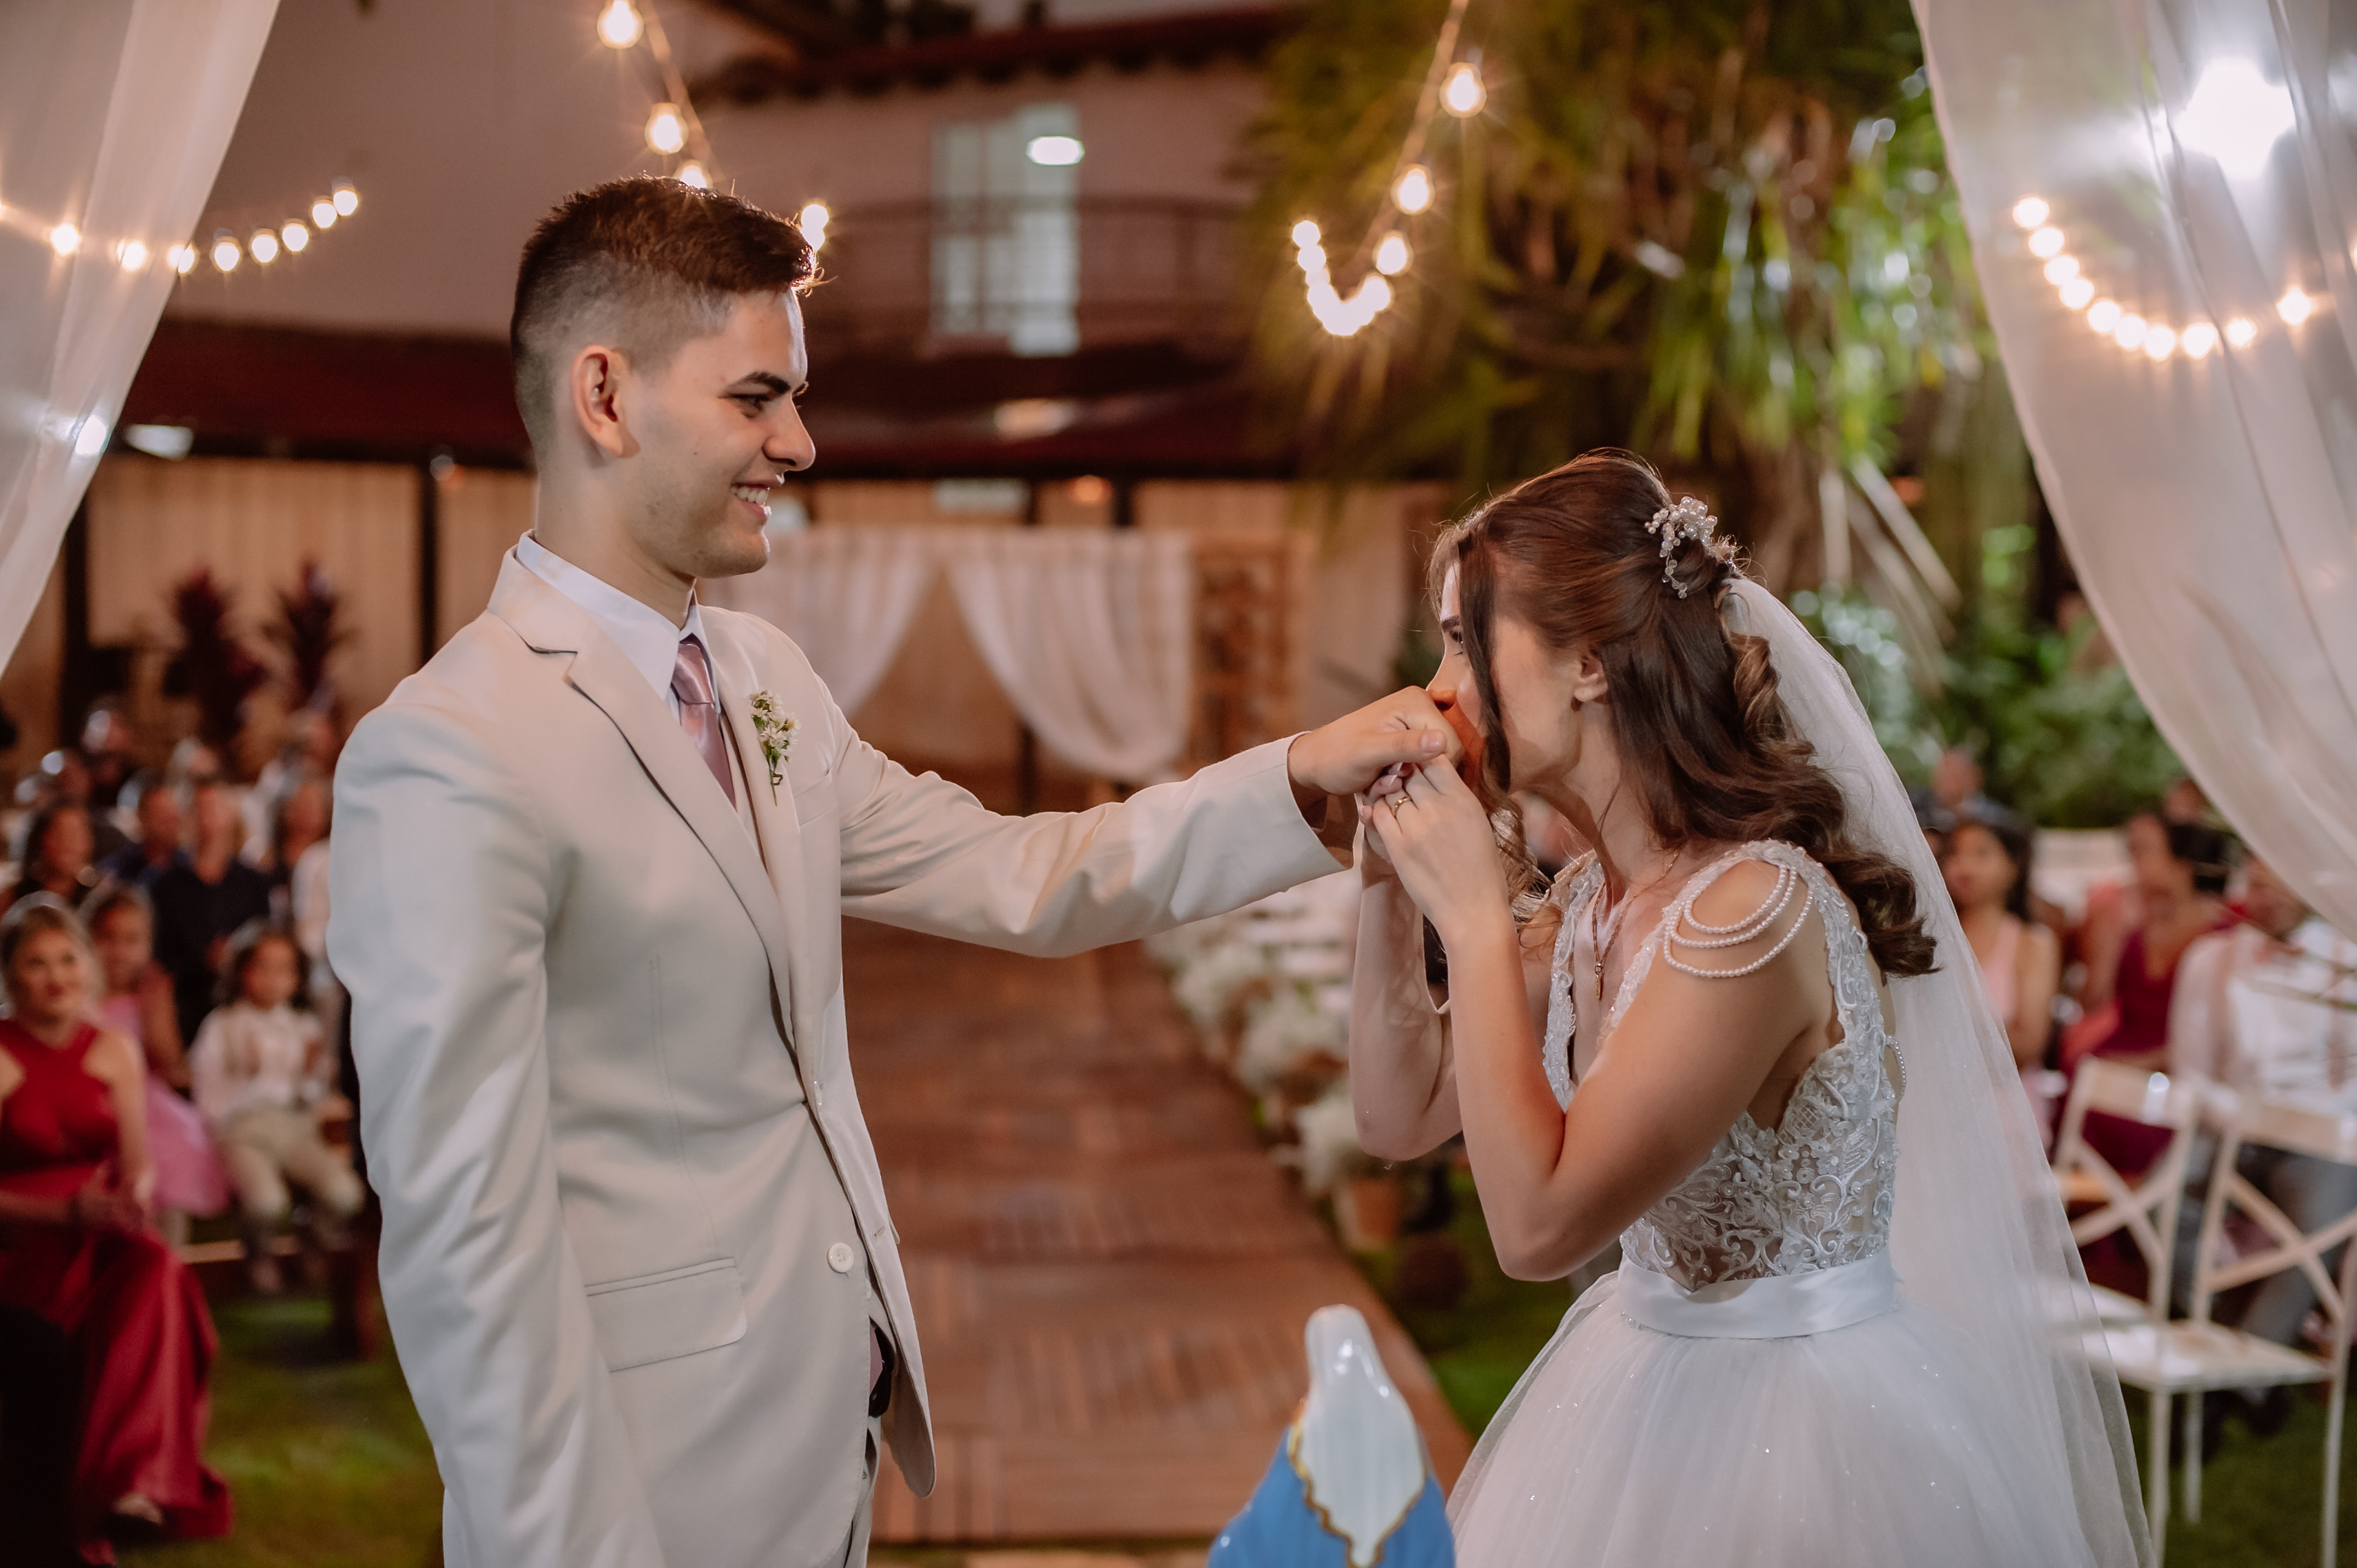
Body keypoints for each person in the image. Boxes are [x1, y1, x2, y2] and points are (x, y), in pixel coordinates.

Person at [325, 176, 1446, 1568]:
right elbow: (467, 1250)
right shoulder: (449, 752)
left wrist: (1294, 780)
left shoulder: (762, 677)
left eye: (794, 399)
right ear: (603, 397)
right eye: (756, 398)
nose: (798, 444)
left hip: (825, 1446)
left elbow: (1021, 872)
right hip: (646, 1493)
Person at [1345, 453, 2145, 1566]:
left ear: (1589, 662)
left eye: (1465, 641)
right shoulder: (1589, 901)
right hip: (1638, 1387)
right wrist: (1386, 891)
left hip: (1808, 1439)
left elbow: (1537, 1228)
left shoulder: (1751, 912)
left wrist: (1476, 920)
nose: (1436, 690)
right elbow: (1394, 1118)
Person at [0, 897, 231, 1557]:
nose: (57, 976)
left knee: (157, 1266)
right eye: (36, 962)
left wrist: (136, 1195)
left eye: (67, 958)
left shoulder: (113, 1048)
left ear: (88, 965)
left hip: (100, 1229)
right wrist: (60, 1213)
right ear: (12, 975)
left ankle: (133, 1484)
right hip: (21, 1242)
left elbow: (139, 1163)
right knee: (152, 1283)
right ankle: (122, 1484)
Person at [2167, 857, 2357, 1419]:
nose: (2266, 895)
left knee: (2320, 1223)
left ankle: (2239, 1386)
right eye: (2256, 883)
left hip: (2318, 1134)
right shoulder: (2211, 959)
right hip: (2229, 1124)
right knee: (2164, 1202)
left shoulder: (2346, 959)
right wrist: (2235, 1116)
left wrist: (2304, 1122)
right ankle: (2217, 1335)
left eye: (2281, 883)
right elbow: (2191, 1068)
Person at [189, 922, 363, 1296]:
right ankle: (259, 1254)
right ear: (242, 971)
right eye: (262, 967)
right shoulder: (223, 1025)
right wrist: (247, 1076)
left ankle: (312, 1241)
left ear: (297, 978)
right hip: (243, 1131)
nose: (272, 979)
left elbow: (313, 1094)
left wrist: (311, 1074)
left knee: (345, 1194)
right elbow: (207, 1097)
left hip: (294, 1127)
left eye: (284, 969)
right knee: (267, 1203)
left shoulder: (303, 1027)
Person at [2065, 816, 2233, 1173]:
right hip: (2118, 1052)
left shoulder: (2222, 940)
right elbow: (2092, 1001)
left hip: (2172, 1067)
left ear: (2181, 867)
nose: (2139, 864)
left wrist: (2140, 1063)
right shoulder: (2137, 928)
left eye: (2153, 854)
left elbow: (2215, 1038)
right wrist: (2107, 940)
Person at [83, 884, 228, 1246]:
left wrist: (154, 1013)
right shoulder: (80, 997)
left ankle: (168, 1261)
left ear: (148, 945)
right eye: (107, 938)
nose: (119, 951)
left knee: (173, 1155)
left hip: (145, 1101)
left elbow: (169, 1063)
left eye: (132, 940)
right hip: (92, 1102)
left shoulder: (149, 994)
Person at [1942, 809, 2065, 1140]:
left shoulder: (2032, 943)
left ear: (2014, 865)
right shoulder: (1933, 939)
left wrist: (1943, 1044)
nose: (1964, 866)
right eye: (1956, 854)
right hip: (1936, 1106)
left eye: (1981, 854)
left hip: (2001, 1114)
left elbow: (2029, 1043)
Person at [145, 777, 274, 1046]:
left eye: (215, 807)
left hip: (245, 1006)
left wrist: (234, 956)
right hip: (185, 1004)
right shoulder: (164, 885)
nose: (208, 818)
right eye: (200, 808)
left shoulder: (253, 883)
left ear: (231, 813)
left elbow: (265, 940)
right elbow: (159, 962)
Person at [7, 797, 100, 911]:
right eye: (59, 834)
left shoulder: (98, 899)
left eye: (74, 835)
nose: (66, 844)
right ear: (40, 839)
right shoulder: (13, 898)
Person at [96, 771, 185, 889]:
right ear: (142, 818)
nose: (170, 823)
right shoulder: (120, 867)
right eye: (161, 816)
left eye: (173, 815)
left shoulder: (189, 865)